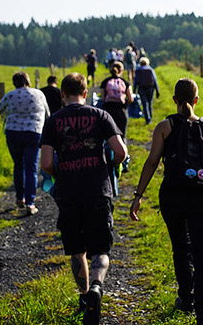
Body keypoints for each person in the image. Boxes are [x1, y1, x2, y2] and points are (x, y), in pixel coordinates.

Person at [130, 78, 203, 325]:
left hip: (172, 196)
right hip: (202, 198)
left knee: (181, 248)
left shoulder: (165, 126)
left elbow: (151, 162)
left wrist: (138, 196)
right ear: (196, 100)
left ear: (174, 100)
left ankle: (186, 298)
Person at [40, 73, 127, 325]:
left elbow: (46, 163)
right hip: (98, 190)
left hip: (68, 193)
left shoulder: (53, 121)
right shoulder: (101, 116)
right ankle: (98, 288)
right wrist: (108, 165)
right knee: (101, 249)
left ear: (63, 95)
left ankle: (85, 295)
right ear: (86, 92)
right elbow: (120, 152)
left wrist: (61, 172)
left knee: (77, 251)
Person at [0, 71, 50, 215]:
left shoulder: (10, 95)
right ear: (28, 81)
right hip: (33, 132)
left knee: (18, 164)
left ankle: (19, 198)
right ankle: (30, 202)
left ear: (14, 83)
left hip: (13, 132)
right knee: (31, 167)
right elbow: (48, 113)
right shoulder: (38, 94)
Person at [100, 61, 134, 173]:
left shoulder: (105, 82)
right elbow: (130, 98)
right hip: (121, 111)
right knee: (122, 136)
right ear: (121, 70)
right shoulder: (125, 82)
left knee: (107, 137)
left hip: (108, 112)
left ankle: (108, 160)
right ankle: (124, 163)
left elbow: (103, 98)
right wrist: (125, 105)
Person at [133, 57, 159, 124]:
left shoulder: (138, 70)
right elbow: (155, 80)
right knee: (150, 103)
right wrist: (157, 90)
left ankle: (148, 119)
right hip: (151, 88)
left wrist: (134, 90)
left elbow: (135, 81)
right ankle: (150, 117)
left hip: (142, 88)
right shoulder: (150, 69)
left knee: (145, 104)